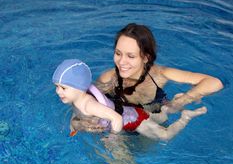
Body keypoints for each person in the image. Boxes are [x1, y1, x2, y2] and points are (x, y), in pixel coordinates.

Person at [52, 59, 208, 141]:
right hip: (133, 112)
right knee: (161, 117)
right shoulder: (75, 98)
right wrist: (73, 126)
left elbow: (117, 118)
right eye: (57, 86)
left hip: (134, 120)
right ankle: (168, 107)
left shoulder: (89, 104)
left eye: (63, 88)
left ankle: (185, 117)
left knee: (165, 135)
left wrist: (113, 137)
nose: (58, 91)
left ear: (79, 88)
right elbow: (77, 113)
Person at [95, 23, 223, 115]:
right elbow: (87, 100)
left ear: (145, 57)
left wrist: (182, 100)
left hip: (152, 126)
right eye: (118, 53)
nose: (121, 61)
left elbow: (214, 83)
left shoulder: (160, 75)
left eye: (131, 56)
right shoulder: (108, 78)